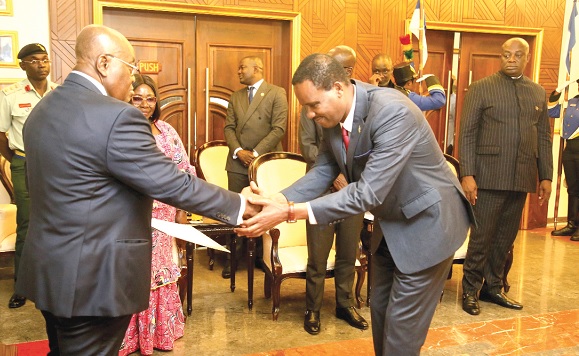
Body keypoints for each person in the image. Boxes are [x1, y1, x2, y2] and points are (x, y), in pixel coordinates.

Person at [15, 24, 258, 355]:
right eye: (130, 69)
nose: (133, 82)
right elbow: (170, 181)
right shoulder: (115, 117)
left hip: (50, 271)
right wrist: (240, 205)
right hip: (93, 279)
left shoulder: (43, 109)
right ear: (103, 63)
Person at [235, 53, 473, 355]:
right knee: (383, 316)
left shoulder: (392, 111)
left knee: (401, 334)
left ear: (337, 87)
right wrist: (276, 199)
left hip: (429, 225)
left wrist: (290, 212)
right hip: (393, 226)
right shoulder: (332, 116)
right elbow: (323, 170)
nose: (309, 115)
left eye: (313, 105)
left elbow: (367, 193)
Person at [458, 37, 553, 316]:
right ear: (500, 57)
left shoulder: (537, 92)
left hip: (522, 176)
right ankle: (469, 290)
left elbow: (544, 138)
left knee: (505, 238)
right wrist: (468, 174)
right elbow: (467, 134)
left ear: (527, 58)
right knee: (482, 237)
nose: (511, 59)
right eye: (506, 55)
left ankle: (493, 288)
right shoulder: (481, 88)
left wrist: (545, 175)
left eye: (517, 55)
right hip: (488, 177)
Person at [118, 74, 191, 355]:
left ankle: (160, 333)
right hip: (130, 215)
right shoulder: (120, 128)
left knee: (161, 273)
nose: (145, 104)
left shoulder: (167, 131)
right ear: (128, 98)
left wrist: (182, 210)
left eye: (150, 98)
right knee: (134, 274)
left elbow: (183, 171)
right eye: (138, 97)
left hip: (164, 216)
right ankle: (131, 337)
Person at [298, 45, 367, 335]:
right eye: (341, 68)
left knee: (348, 253)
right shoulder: (311, 106)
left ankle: (345, 303)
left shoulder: (362, 106)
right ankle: (312, 309)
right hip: (322, 191)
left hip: (352, 193)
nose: (347, 74)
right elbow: (309, 147)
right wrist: (338, 174)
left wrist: (350, 179)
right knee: (317, 257)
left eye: (350, 69)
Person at [0, 43, 57, 309]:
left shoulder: (60, 93)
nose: (41, 64)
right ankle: (22, 286)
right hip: (25, 163)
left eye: (44, 59)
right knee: (27, 223)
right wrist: (17, 161)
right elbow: (1, 136)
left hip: (58, 166)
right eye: (34, 60)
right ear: (22, 65)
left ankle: (55, 279)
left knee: (59, 220)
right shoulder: (10, 95)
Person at [223, 55, 288, 278]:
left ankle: (264, 257)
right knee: (235, 211)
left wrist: (256, 155)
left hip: (266, 163)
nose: (239, 72)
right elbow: (229, 128)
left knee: (265, 209)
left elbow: (279, 128)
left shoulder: (276, 93)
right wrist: (238, 151)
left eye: (242, 68)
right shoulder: (236, 96)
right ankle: (233, 259)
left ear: (257, 68)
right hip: (237, 163)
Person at [547, 81, 579, 241]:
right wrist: (557, 92)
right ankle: (572, 224)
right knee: (572, 189)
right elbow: (552, 111)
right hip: (571, 148)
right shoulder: (572, 102)